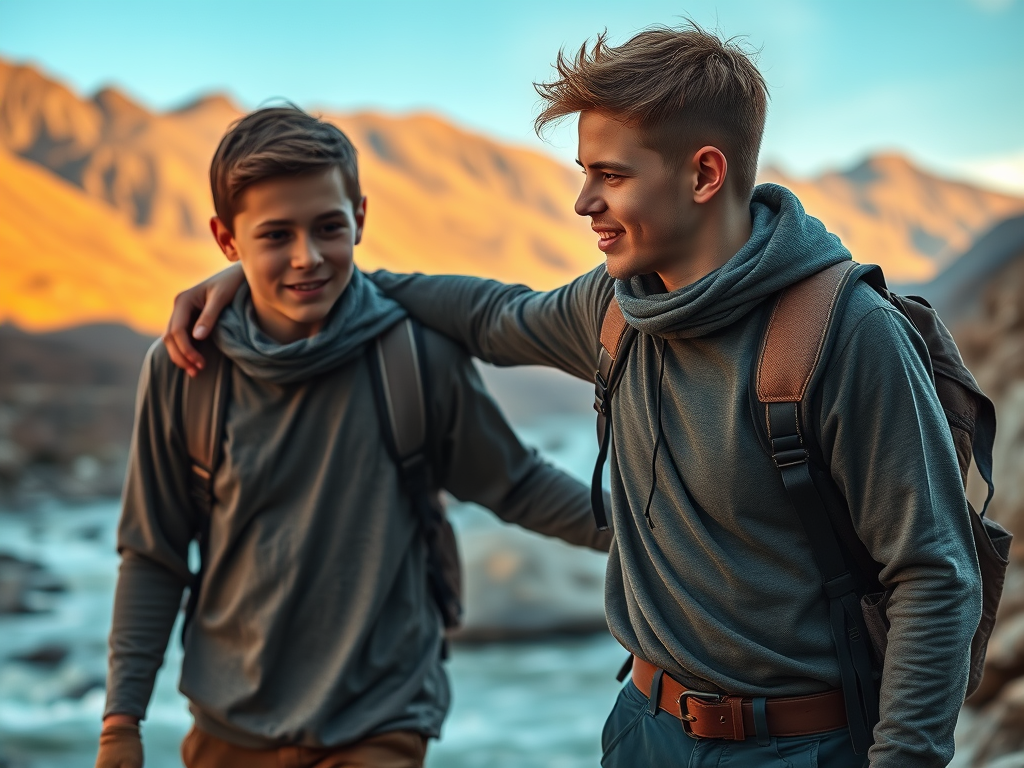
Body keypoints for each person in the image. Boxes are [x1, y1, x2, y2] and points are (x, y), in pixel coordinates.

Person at [163, 26, 982, 767]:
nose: (584, 202)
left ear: (704, 174)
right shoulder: (613, 307)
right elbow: (490, 317)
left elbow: (935, 576)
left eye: (610, 176)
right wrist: (275, 277)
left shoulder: (846, 334)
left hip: (801, 748)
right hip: (641, 731)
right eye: (585, 173)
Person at [96, 106, 610, 768]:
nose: (306, 257)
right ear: (227, 240)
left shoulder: (412, 357)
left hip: (381, 719)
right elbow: (153, 553)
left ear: (360, 218)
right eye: (275, 235)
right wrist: (121, 723)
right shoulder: (186, 370)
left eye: (328, 227)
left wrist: (649, 534)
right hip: (228, 724)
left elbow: (516, 484)